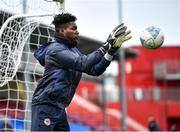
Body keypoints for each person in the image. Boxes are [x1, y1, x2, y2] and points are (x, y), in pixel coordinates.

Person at [31, 12, 132, 131]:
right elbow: (83, 63)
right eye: (73, 28)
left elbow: (95, 70)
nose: (77, 31)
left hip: (60, 108)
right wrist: (106, 44)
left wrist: (111, 51)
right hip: (46, 106)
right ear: (62, 31)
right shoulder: (55, 49)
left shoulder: (74, 51)